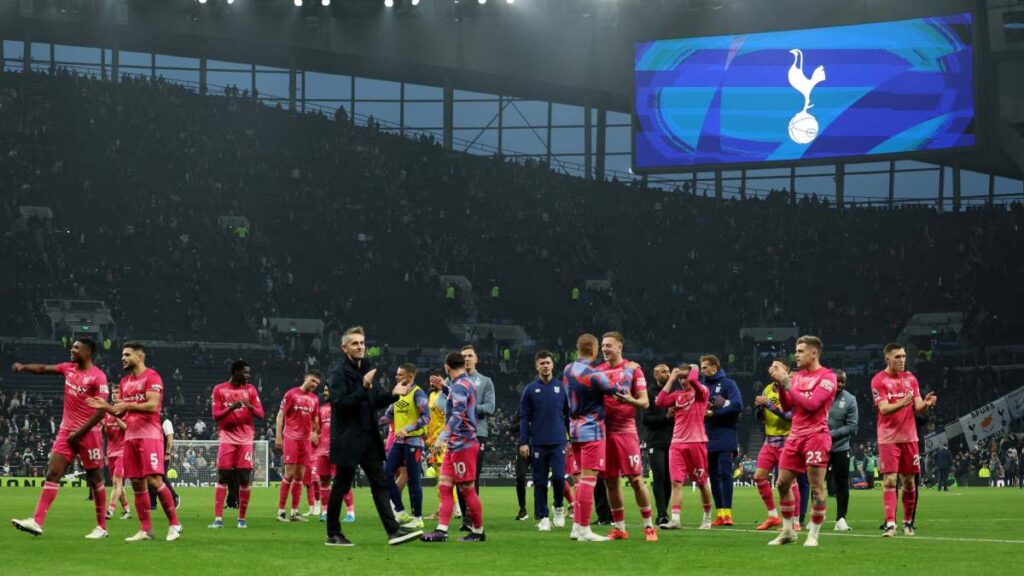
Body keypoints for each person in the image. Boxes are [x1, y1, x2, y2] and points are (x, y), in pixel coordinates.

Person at [324, 326, 421, 547]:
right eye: (355, 343)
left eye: (362, 343)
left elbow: (374, 401)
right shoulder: (338, 373)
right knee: (341, 485)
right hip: (348, 439)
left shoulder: (367, 368)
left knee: (380, 483)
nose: (360, 347)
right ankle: (333, 534)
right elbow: (340, 404)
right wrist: (363, 386)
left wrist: (394, 396)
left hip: (368, 437)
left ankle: (393, 531)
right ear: (344, 347)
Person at [10, 338, 110, 539]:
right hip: (66, 432)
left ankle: (101, 527)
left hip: (88, 434)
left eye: (76, 347)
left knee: (95, 479)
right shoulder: (68, 368)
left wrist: (80, 432)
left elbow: (101, 411)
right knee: (52, 473)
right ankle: (37, 522)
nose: (71, 350)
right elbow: (42, 368)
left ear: (88, 352)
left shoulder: (98, 377)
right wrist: (23, 367)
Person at [89, 342, 182, 542]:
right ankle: (145, 529)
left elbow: (152, 404)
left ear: (140, 357)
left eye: (127, 354)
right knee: (138, 483)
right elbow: (119, 411)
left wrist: (128, 404)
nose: (123, 357)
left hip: (150, 436)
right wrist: (105, 406)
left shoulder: (152, 377)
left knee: (155, 480)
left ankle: (174, 524)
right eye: (122, 354)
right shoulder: (124, 382)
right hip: (130, 437)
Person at [766, 335, 837, 548]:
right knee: (782, 483)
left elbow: (812, 403)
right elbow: (789, 406)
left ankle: (813, 534)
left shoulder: (827, 377)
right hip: (795, 435)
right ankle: (788, 531)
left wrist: (786, 381)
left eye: (800, 351)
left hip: (816, 435)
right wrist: (781, 383)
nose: (795, 355)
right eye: (796, 351)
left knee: (816, 487)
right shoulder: (797, 377)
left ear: (813, 353)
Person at [564, 333, 631, 542]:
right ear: (593, 350)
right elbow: (622, 392)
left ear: (578, 348)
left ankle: (576, 527)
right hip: (592, 431)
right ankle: (584, 529)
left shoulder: (567, 369)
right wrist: (628, 372)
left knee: (581, 480)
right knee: (588, 481)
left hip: (574, 431)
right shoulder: (594, 375)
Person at [595, 332, 657, 542]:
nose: (604, 349)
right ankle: (620, 528)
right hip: (605, 432)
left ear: (620, 347)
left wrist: (630, 400)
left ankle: (649, 526)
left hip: (626, 431)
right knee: (610, 482)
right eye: (603, 345)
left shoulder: (633, 370)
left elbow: (645, 403)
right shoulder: (598, 371)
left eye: (609, 345)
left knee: (636, 479)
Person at [872, 343, 938, 537]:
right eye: (897, 357)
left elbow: (917, 406)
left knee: (909, 483)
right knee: (890, 481)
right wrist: (902, 402)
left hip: (909, 437)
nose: (902, 360)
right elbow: (883, 408)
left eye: (903, 356)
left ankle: (908, 523)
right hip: (888, 437)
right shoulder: (879, 380)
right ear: (887, 359)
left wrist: (925, 404)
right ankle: (890, 524)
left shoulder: (911, 379)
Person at [420, 352, 486, 543]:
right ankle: (442, 530)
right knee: (445, 486)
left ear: (447, 367)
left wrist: (442, 438)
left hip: (462, 445)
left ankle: (479, 531)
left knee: (467, 489)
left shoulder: (459, 386)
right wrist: (444, 387)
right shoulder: (464, 385)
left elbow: (458, 413)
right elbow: (458, 399)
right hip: (456, 446)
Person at [655, 364, 714, 530]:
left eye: (684, 377)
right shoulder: (677, 395)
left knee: (702, 483)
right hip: (677, 444)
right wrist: (671, 378)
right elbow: (659, 401)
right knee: (676, 483)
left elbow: (694, 379)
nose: (683, 381)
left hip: (697, 443)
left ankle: (707, 518)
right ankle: (675, 519)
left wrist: (693, 368)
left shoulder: (702, 392)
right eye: (680, 378)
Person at [518, 350, 571, 531]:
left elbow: (568, 416)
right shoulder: (530, 389)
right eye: (542, 363)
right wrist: (524, 442)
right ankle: (542, 517)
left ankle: (558, 507)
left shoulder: (562, 388)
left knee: (558, 477)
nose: (545, 366)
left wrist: (570, 438)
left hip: (558, 441)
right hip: (538, 442)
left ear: (552, 365)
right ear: (537, 366)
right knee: (540, 481)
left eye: (548, 362)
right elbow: (524, 417)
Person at [208, 360, 264, 529]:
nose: (248, 376)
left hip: (246, 439)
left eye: (249, 373)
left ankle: (242, 519)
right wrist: (231, 408)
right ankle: (218, 519)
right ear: (235, 371)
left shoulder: (251, 390)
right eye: (245, 372)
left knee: (245, 478)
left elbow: (261, 414)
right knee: (223, 476)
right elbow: (215, 416)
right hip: (227, 438)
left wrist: (250, 407)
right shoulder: (219, 389)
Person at [752, 360, 801, 531]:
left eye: (777, 367)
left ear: (787, 371)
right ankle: (773, 516)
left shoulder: (793, 388)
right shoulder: (767, 388)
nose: (772, 368)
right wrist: (759, 408)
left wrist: (769, 405)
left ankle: (795, 521)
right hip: (770, 440)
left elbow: (790, 415)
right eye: (771, 366)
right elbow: (764, 417)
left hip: (787, 440)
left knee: (789, 482)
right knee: (759, 476)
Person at [381, 363, 431, 530]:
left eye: (400, 375)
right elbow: (387, 416)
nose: (396, 377)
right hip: (398, 442)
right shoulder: (398, 394)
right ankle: (401, 511)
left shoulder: (419, 393)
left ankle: (417, 517)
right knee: (387, 472)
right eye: (397, 374)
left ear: (410, 377)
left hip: (413, 442)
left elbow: (426, 418)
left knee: (414, 479)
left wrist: (407, 429)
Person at [454, 345, 495, 531]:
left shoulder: (486, 382)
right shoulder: (453, 379)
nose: (467, 359)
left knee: (473, 477)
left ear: (476, 359)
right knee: (459, 478)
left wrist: (467, 407)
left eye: (470, 356)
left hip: (478, 434)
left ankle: (473, 518)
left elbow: (490, 407)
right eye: (464, 356)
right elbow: (440, 401)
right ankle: (465, 518)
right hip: (457, 434)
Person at [701, 355, 742, 526]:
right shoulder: (702, 387)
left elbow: (737, 405)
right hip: (706, 436)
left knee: (725, 473)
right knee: (713, 476)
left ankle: (728, 513)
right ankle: (720, 513)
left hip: (725, 434)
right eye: (701, 368)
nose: (702, 371)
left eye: (705, 367)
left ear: (714, 367)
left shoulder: (728, 384)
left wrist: (713, 413)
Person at [275, 370, 321, 522]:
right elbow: (280, 415)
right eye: (313, 380)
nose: (314, 384)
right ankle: (281, 512)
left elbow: (314, 418)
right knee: (289, 474)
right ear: (306, 378)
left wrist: (315, 432)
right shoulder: (291, 394)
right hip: (291, 438)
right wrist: (278, 436)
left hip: (305, 441)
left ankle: (294, 512)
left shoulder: (314, 398)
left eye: (317, 383)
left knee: (300, 476)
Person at [314, 386, 353, 523]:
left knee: (341, 480)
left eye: (328, 390)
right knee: (324, 481)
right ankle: (325, 512)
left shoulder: (344, 408)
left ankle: (350, 513)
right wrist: (314, 434)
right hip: (322, 450)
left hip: (339, 450)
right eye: (324, 390)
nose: (325, 393)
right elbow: (317, 429)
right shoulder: (322, 409)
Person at [643, 364, 674, 527]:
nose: (667, 374)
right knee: (659, 475)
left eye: (668, 371)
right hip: (656, 440)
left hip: (674, 441)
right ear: (656, 375)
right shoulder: (649, 393)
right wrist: (665, 418)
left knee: (669, 478)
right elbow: (645, 419)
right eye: (663, 372)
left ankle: (664, 512)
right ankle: (661, 513)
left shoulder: (675, 393)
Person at [826, 368, 857, 531]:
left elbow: (852, 426)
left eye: (842, 381)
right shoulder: (821, 396)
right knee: (816, 483)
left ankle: (841, 519)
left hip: (840, 448)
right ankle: (816, 516)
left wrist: (829, 435)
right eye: (836, 380)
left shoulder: (850, 399)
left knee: (842, 483)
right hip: (820, 447)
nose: (839, 384)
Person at [101, 386, 131, 521]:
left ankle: (110, 510)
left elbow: (129, 429)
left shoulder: (126, 411)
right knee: (119, 485)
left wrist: (117, 418)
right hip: (111, 453)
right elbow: (106, 435)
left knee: (115, 482)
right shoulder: (107, 412)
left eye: (117, 392)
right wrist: (103, 427)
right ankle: (127, 510)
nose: (114, 394)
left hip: (123, 452)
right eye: (113, 392)